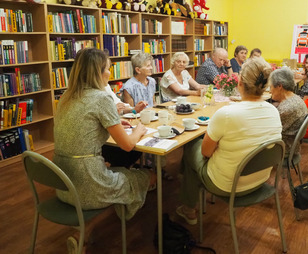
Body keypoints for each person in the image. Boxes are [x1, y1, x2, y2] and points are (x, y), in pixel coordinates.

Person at [176, 57, 282, 225]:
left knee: (191, 147)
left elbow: (205, 153)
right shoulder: (274, 111)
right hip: (260, 179)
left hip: (226, 185)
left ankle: (188, 205)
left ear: (239, 82)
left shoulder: (227, 113)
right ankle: (189, 198)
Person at [53, 48, 155, 220]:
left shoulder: (66, 97)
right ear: (97, 73)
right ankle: (99, 227)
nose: (109, 73)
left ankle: (86, 233)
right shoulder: (101, 98)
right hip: (89, 185)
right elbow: (128, 145)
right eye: (107, 69)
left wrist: (113, 123)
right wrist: (138, 129)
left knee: (121, 165)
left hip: (63, 184)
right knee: (150, 176)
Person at [269, 68, 308, 155]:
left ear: (279, 86)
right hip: (292, 144)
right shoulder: (296, 98)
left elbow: (269, 131)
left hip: (284, 148)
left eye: (270, 87)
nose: (270, 91)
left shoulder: (286, 109)